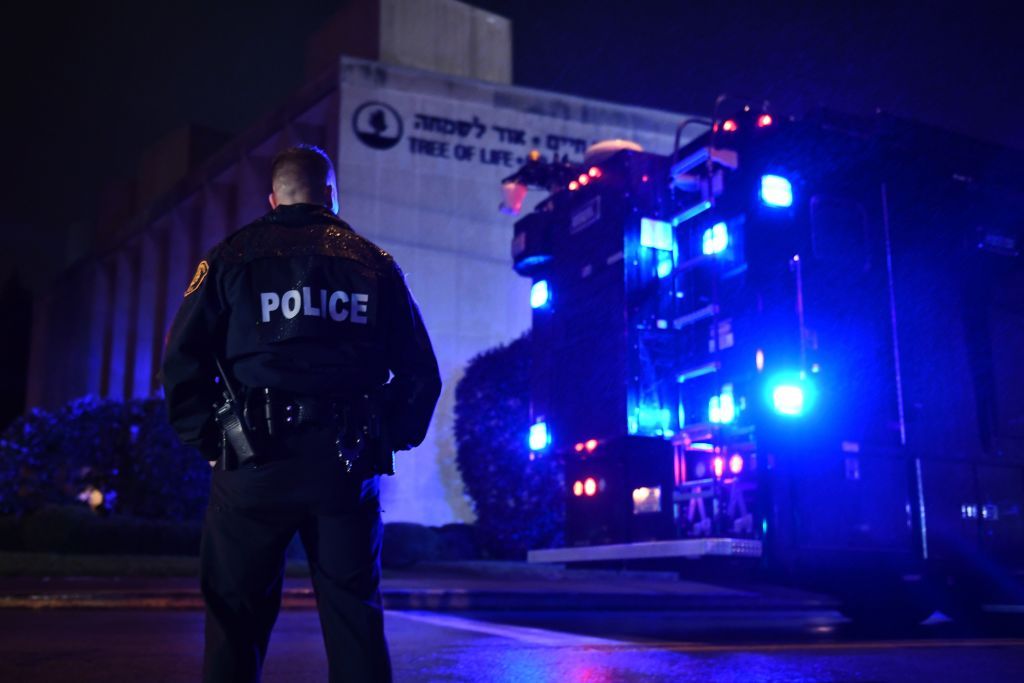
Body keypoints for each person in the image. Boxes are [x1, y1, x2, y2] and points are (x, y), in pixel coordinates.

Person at [162, 144, 441, 682]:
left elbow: (180, 365)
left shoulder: (228, 259)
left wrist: (215, 441)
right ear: (331, 197)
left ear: (273, 199)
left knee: (235, 621)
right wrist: (384, 437)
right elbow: (419, 374)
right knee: (354, 617)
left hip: (252, 463)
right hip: (344, 466)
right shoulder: (374, 263)